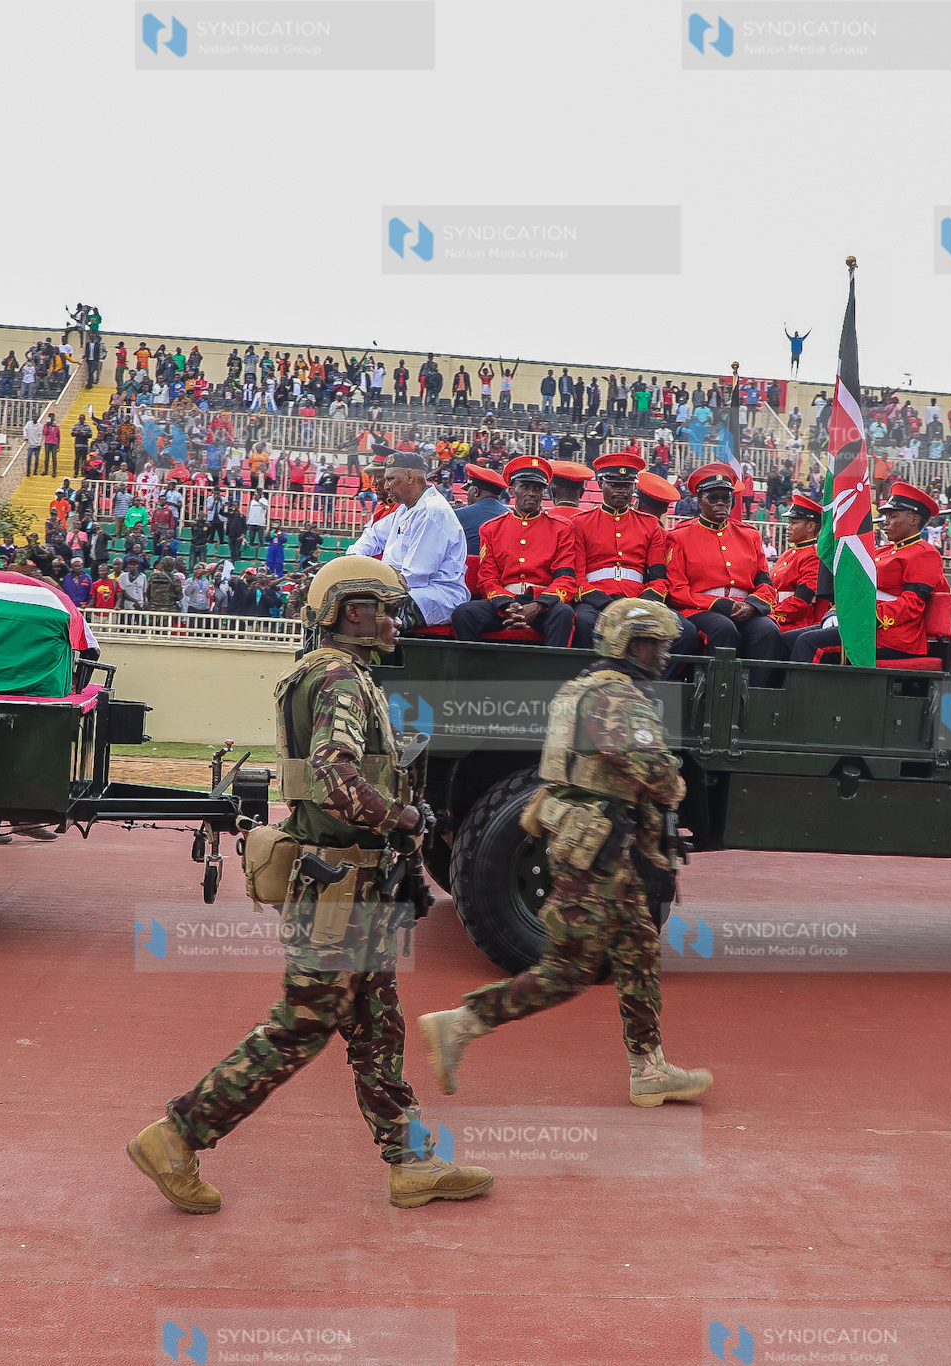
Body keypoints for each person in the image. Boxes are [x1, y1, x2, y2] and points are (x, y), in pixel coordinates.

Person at [127, 557, 491, 1213]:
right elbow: (332, 776)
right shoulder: (341, 678)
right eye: (387, 608)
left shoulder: (330, 674)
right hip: (340, 885)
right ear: (354, 611)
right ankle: (177, 1136)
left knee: (378, 1029)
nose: (396, 620)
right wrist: (404, 816)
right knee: (303, 1025)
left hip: (352, 884)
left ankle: (411, 1162)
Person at [420, 598, 712, 1106]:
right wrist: (673, 783)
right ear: (631, 644)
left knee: (639, 951)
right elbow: (654, 771)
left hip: (596, 842)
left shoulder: (582, 686)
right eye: (657, 644)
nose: (665, 654)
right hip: (599, 850)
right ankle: (462, 1024)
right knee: (568, 971)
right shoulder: (618, 698)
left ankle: (649, 1068)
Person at [787, 481, 944, 664]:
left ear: (914, 520)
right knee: (788, 638)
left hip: (891, 635)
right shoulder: (881, 551)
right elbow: (854, 592)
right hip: (861, 623)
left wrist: (861, 617)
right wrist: (835, 611)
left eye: (892, 516)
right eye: (886, 516)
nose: (885, 522)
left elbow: (909, 606)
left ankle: (804, 693)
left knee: (808, 642)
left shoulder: (925, 554)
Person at [452, 454, 578, 648]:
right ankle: (478, 671)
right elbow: (488, 577)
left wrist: (538, 605)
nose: (532, 493)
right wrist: (507, 605)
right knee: (464, 613)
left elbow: (565, 577)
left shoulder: (562, 528)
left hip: (543, 604)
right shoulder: (491, 528)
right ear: (512, 490)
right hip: (503, 603)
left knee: (563, 613)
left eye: (537, 488)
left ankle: (550, 675)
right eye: (525, 487)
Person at [664, 462, 779, 664]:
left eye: (726, 498)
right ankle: (717, 693)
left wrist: (752, 606)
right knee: (723, 628)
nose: (720, 503)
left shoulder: (749, 536)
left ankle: (759, 693)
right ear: (699, 501)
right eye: (713, 497)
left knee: (767, 631)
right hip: (701, 609)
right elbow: (677, 590)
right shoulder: (680, 537)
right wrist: (715, 603)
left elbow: (765, 584)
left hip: (744, 608)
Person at [343, 449, 468, 626]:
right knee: (348, 606)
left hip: (432, 595)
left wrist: (368, 585)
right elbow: (373, 536)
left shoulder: (432, 512)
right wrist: (351, 561)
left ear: (409, 476)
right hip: (405, 589)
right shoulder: (406, 507)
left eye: (390, 479)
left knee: (367, 616)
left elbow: (414, 576)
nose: (386, 486)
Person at [568, 448, 674, 652]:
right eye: (615, 485)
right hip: (596, 597)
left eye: (627, 486)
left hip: (638, 596)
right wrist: (604, 602)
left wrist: (644, 602)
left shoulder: (650, 525)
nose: (621, 491)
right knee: (583, 623)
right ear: (600, 484)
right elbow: (577, 576)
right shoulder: (580, 523)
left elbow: (659, 578)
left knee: (681, 630)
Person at [765, 493, 831, 657]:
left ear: (810, 527)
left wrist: (772, 616)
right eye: (789, 522)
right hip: (779, 616)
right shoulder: (788, 554)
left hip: (796, 623)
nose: (789, 527)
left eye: (794, 523)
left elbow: (801, 602)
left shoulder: (814, 556)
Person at [455, 462, 510, 540]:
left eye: (468, 491)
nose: (467, 497)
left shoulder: (458, 515)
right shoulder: (510, 516)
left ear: (476, 491)